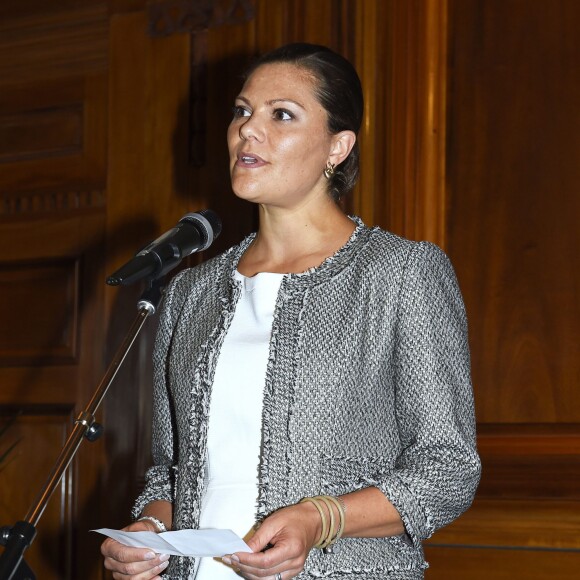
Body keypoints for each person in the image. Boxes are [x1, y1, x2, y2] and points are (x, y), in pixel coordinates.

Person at [101, 42, 481, 580]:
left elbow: (448, 470)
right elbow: (171, 474)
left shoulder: (401, 273)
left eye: (281, 114)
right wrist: (149, 531)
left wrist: (320, 518)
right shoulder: (193, 291)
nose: (247, 131)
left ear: (338, 146)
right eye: (241, 111)